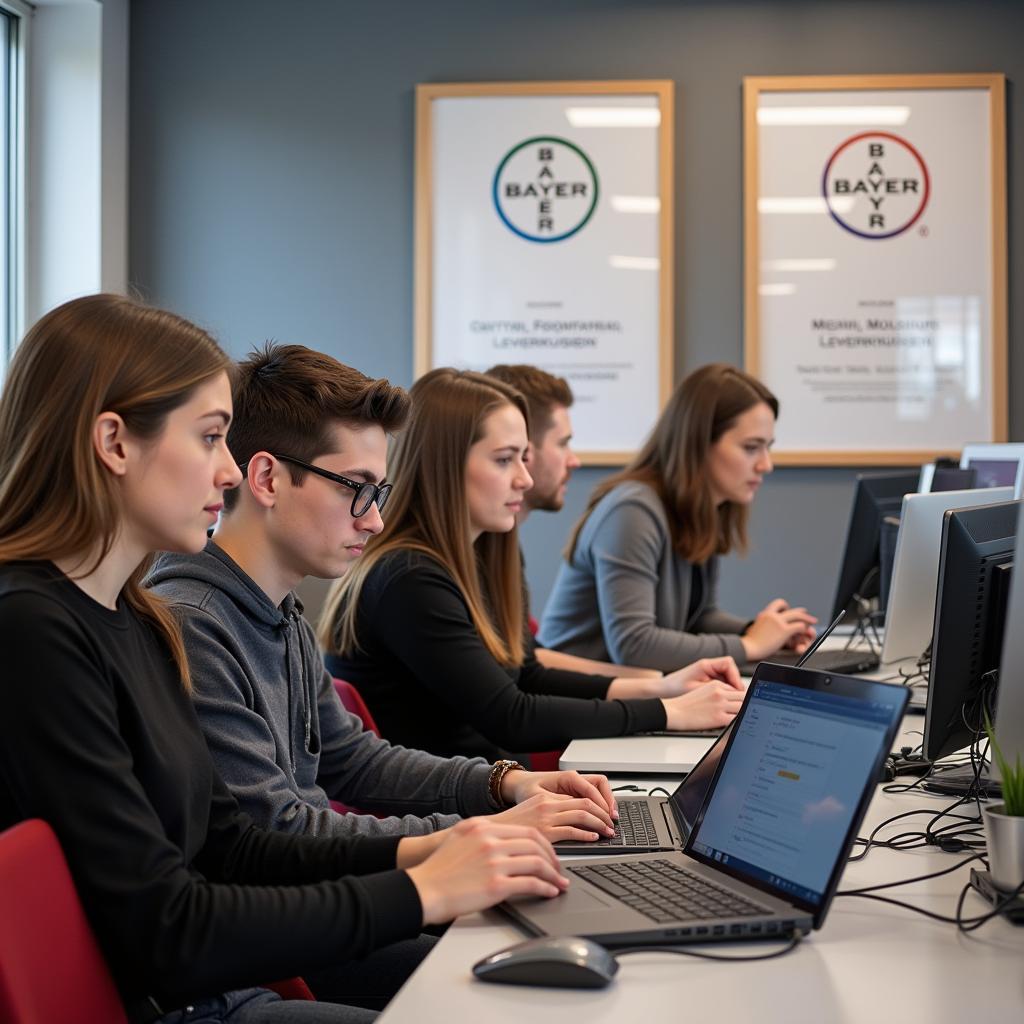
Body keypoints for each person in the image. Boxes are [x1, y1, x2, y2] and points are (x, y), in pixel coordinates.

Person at [0, 295, 568, 1024]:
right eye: (209, 438)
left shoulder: (138, 620)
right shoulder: (35, 630)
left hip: (222, 986)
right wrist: (424, 886)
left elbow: (236, 845)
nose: (229, 474)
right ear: (114, 443)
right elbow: (168, 931)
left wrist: (445, 848)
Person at [146, 343, 620, 869]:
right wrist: (483, 831)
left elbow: (353, 761)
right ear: (267, 479)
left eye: (378, 493)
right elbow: (278, 831)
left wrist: (506, 784)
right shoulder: (196, 625)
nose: (373, 520)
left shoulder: (279, 611)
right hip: (286, 925)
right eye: (357, 489)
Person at [320, 368, 745, 763]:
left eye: (525, 458)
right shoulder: (409, 578)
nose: (524, 478)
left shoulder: (483, 555)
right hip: (449, 815)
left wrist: (665, 688)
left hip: (493, 787)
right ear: (445, 466)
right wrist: (667, 711)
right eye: (505, 459)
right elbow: (512, 717)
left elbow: (527, 673)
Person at [539, 363, 817, 672]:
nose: (766, 465)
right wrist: (751, 646)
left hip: (634, 695)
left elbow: (698, 617)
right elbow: (634, 645)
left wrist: (759, 631)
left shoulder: (700, 507)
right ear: (698, 444)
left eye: (767, 447)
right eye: (751, 448)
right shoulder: (632, 510)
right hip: (574, 699)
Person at [484, 363, 656, 680]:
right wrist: (660, 694)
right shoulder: (431, 571)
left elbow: (526, 661)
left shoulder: (502, 546)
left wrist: (656, 684)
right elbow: (511, 702)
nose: (574, 460)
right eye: (562, 443)